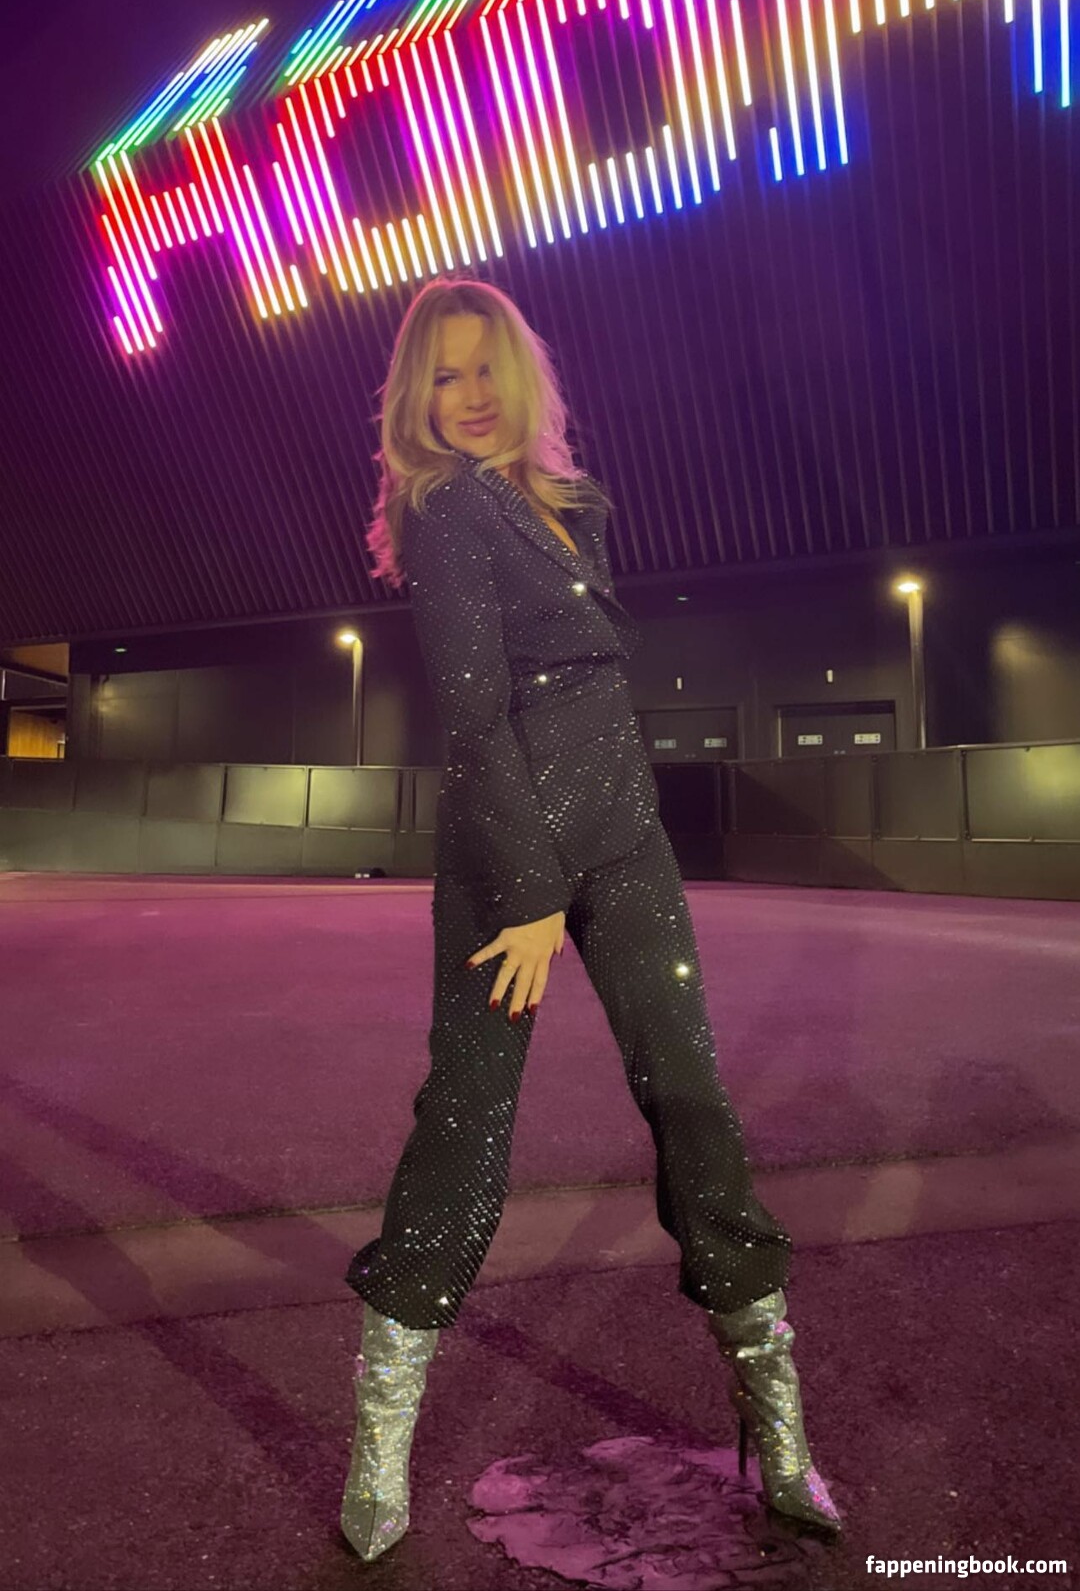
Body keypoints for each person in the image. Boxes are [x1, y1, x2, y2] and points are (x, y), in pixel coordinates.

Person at [339, 278, 842, 1561]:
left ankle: (775, 1419)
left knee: (691, 1096)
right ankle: (381, 1434)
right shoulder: (447, 509)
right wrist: (530, 896)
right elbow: (475, 716)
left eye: (484, 367)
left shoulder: (577, 507)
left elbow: (589, 699)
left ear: (522, 373)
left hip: (624, 839)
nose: (469, 396)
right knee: (467, 1126)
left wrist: (604, 852)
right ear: (415, 399)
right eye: (443, 375)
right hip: (506, 860)